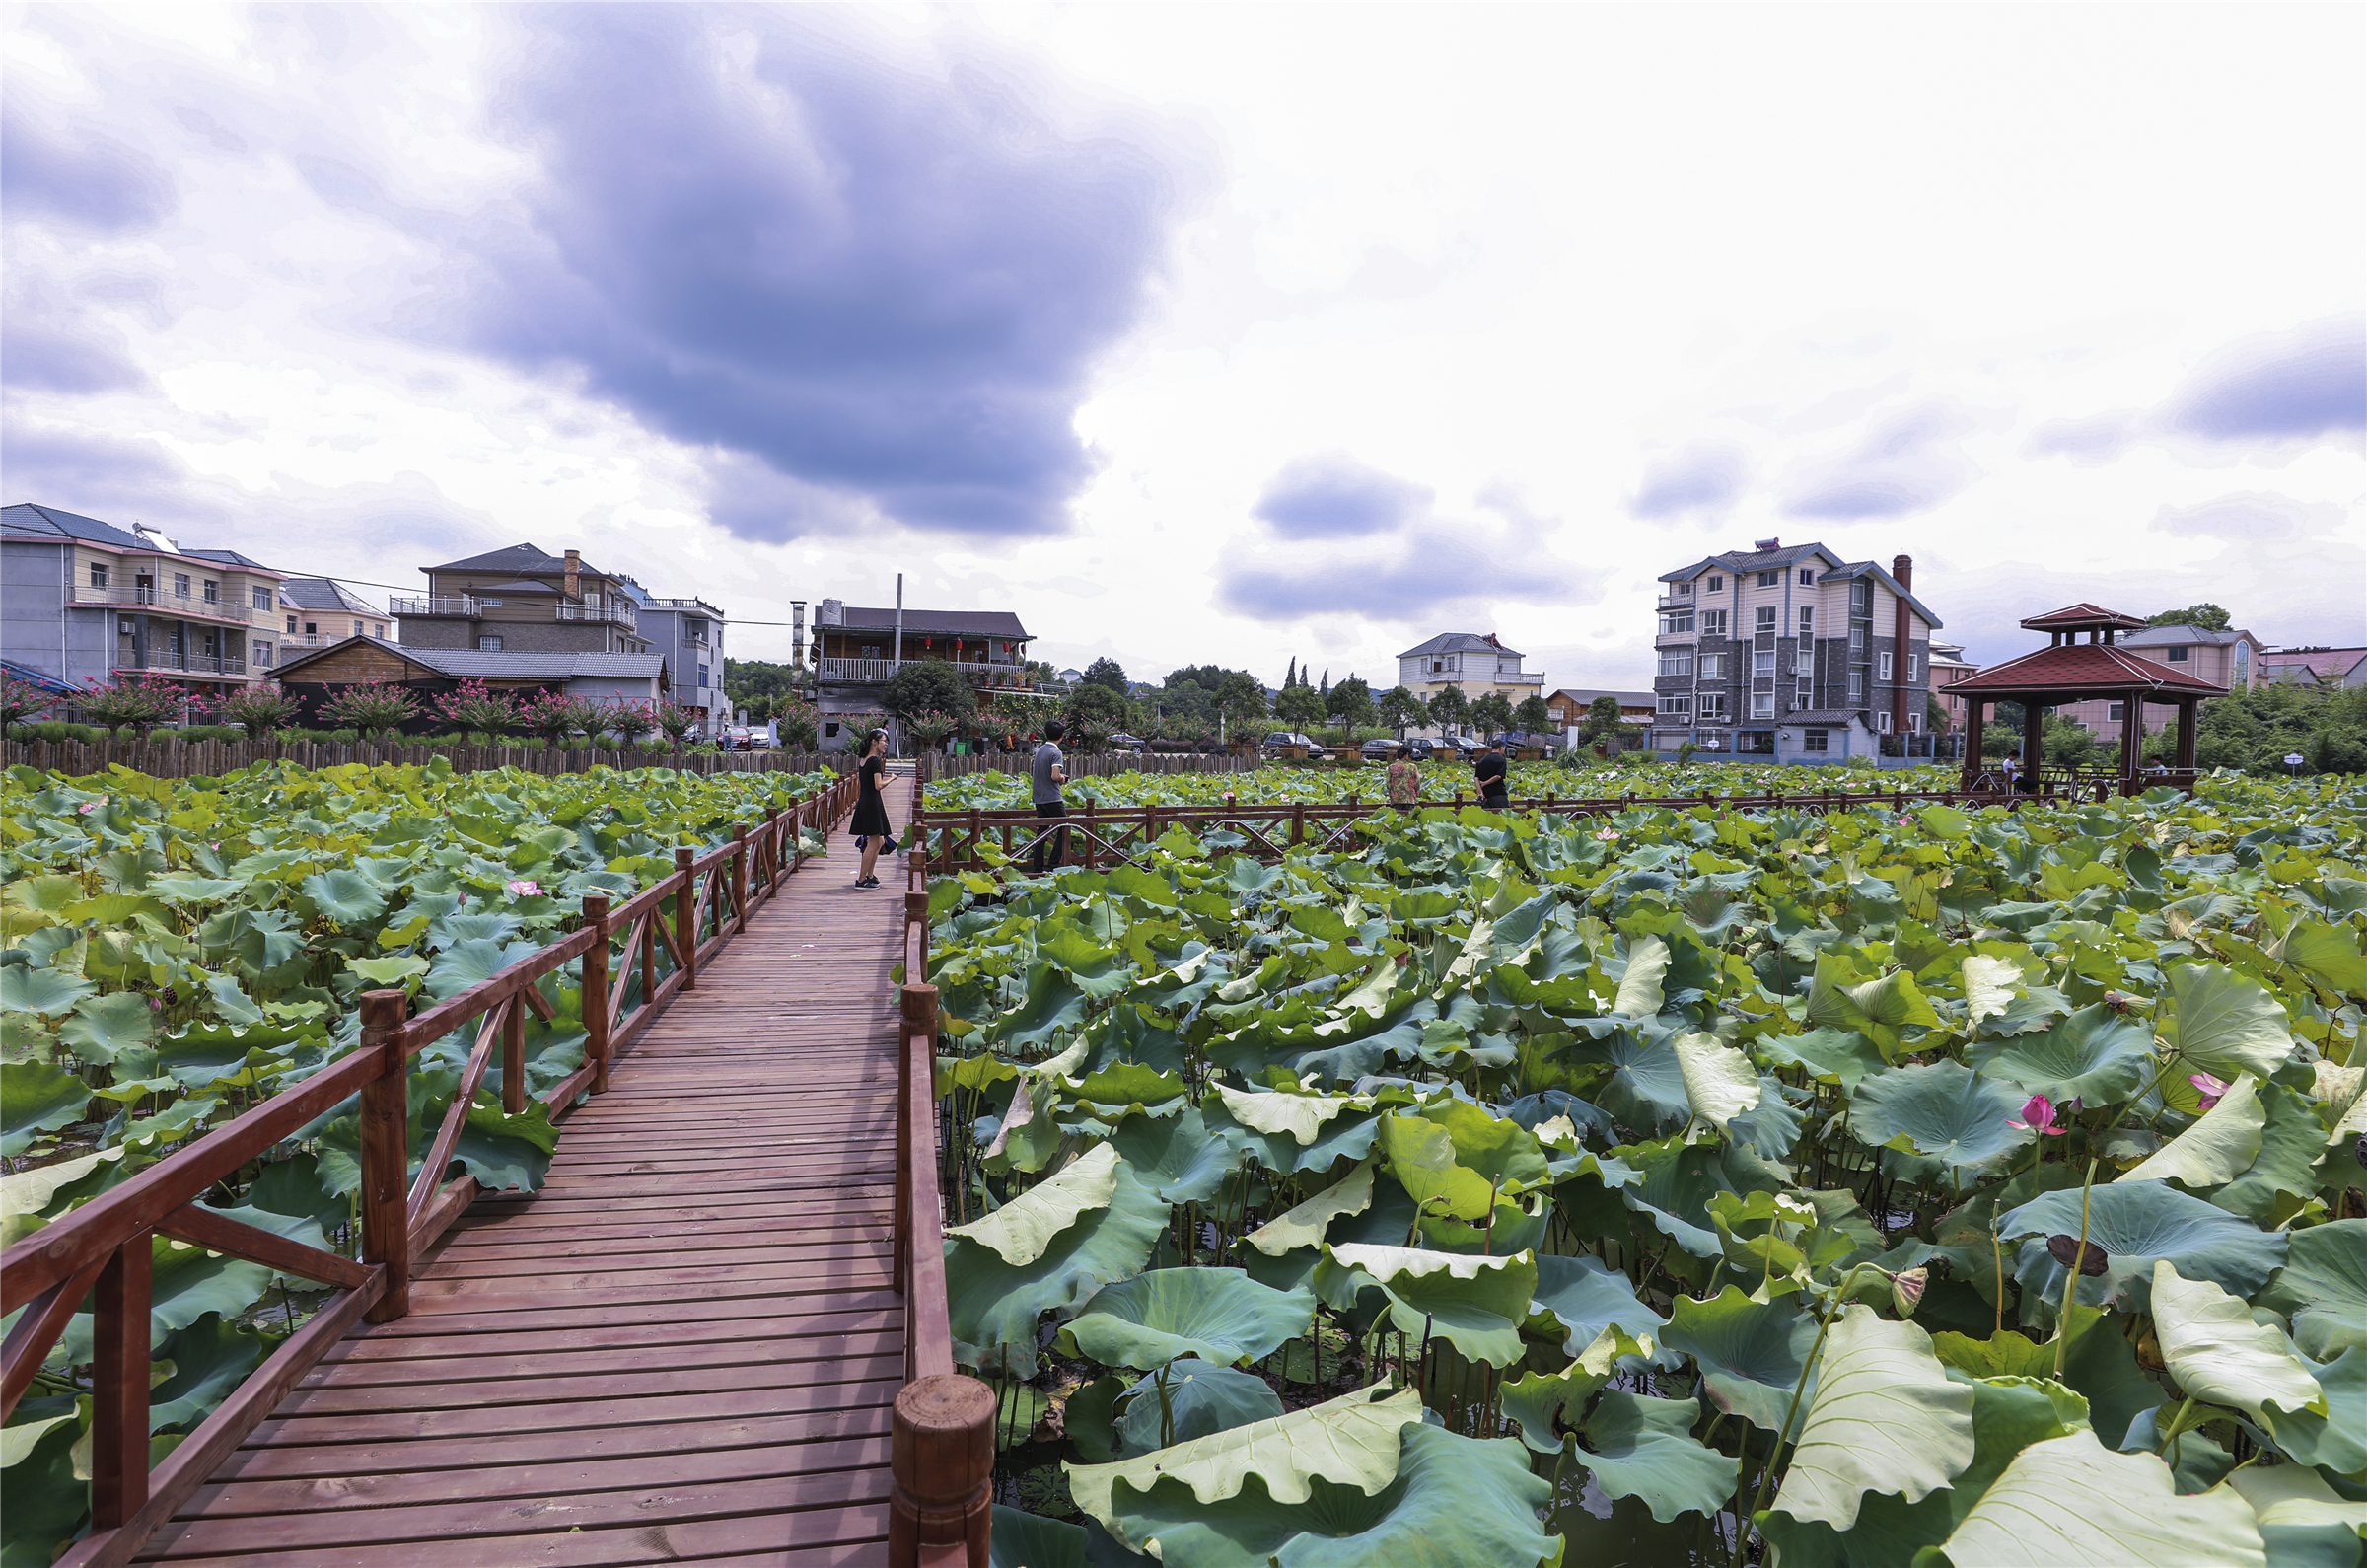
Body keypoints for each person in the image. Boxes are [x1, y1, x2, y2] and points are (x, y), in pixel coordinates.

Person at [850, 729, 895, 889]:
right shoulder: (875, 761)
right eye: (884, 741)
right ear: (874, 742)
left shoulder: (864, 760)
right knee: (873, 842)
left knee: (880, 840)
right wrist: (891, 779)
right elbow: (878, 785)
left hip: (866, 802)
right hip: (872, 804)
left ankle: (870, 875)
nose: (886, 744)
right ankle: (861, 879)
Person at [1030, 719, 1069, 874]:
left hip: (1039, 797)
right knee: (1064, 830)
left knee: (1042, 833)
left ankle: (1037, 868)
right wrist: (1062, 778)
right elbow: (1054, 776)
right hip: (1052, 797)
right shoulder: (1056, 752)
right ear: (1062, 735)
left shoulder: (1040, 750)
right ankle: (1052, 866)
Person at [1474, 735, 1509, 811]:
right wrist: (1485, 783)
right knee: (1504, 816)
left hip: (1485, 794)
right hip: (1498, 793)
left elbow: (1476, 778)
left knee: (1488, 818)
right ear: (1501, 749)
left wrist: (1480, 793)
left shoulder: (1482, 760)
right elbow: (1498, 776)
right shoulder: (1501, 760)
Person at [1385, 744, 1420, 810]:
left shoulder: (1391, 767)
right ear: (1406, 755)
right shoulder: (1412, 767)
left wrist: (1392, 794)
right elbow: (1417, 782)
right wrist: (1416, 794)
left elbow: (1388, 783)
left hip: (1396, 800)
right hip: (1410, 799)